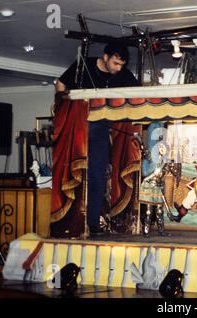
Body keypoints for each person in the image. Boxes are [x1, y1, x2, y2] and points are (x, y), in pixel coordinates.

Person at [55, 43, 140, 236]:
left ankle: (92, 223)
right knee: (70, 172)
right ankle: (69, 223)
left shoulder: (122, 74)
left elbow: (138, 93)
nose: (118, 68)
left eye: (121, 65)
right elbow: (60, 85)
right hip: (78, 126)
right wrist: (65, 108)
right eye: (115, 63)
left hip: (100, 128)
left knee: (97, 176)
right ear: (105, 57)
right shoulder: (83, 65)